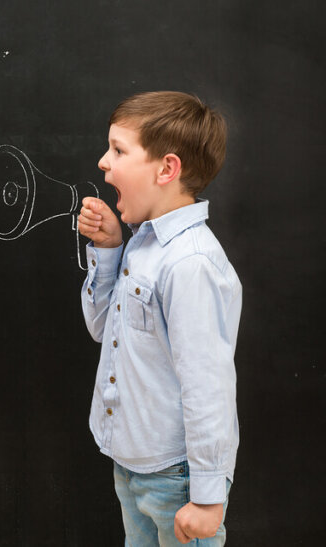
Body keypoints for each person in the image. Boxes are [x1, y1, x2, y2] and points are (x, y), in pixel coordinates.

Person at [77, 91, 241, 546]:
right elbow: (102, 330)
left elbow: (208, 385)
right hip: (132, 463)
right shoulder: (142, 246)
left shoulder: (190, 264)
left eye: (118, 149)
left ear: (166, 169)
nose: (103, 162)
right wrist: (110, 251)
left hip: (176, 477)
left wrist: (208, 497)